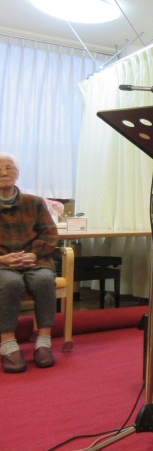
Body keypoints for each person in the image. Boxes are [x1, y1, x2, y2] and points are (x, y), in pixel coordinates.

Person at [0, 153, 59, 373]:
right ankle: (7, 344)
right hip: (2, 264)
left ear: (17, 173)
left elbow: (50, 234)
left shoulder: (34, 202)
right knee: (10, 282)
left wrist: (34, 255)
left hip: (36, 261)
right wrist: (2, 259)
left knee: (44, 279)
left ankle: (44, 341)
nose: (4, 173)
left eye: (9, 168)